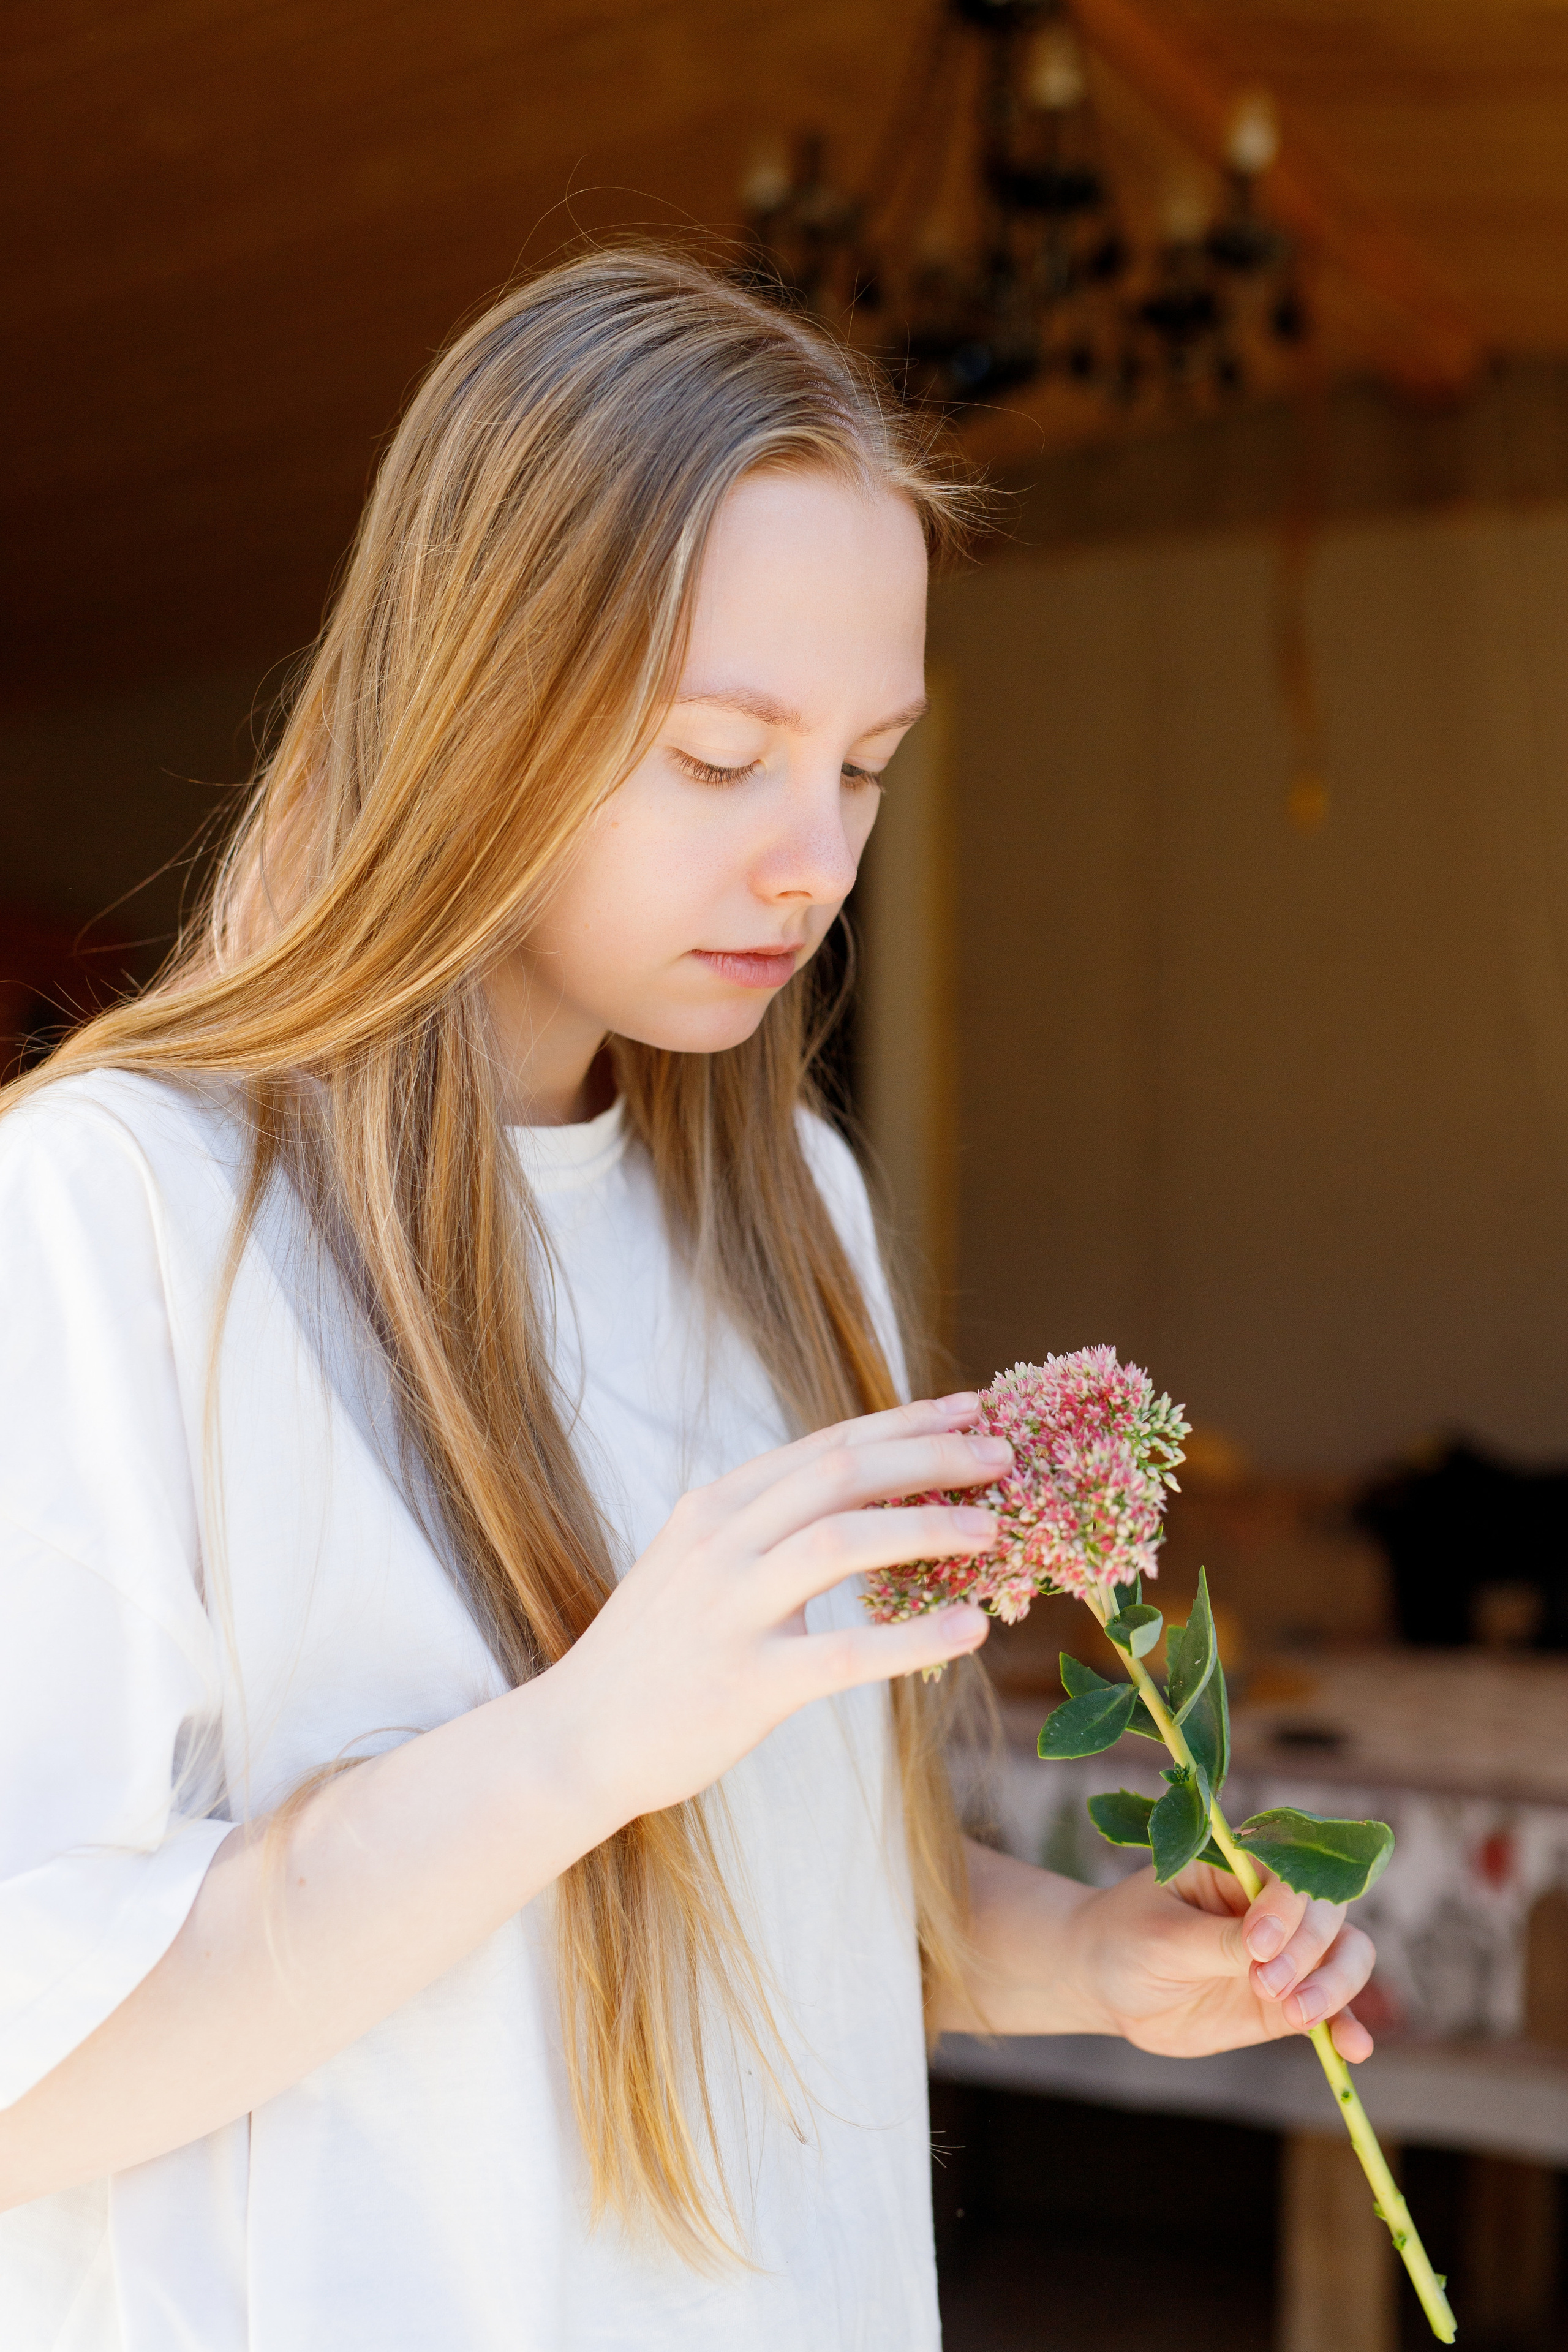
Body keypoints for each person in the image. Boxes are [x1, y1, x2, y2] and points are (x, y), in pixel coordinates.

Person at [0, 247, 1375, 2351]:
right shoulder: (122, 1218)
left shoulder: (790, 1202)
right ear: (477, 706)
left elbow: (795, 1886)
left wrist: (1078, 1959)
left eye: (867, 765)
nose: (816, 861)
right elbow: (33, 2069)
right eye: (724, 757)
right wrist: (577, 1746)